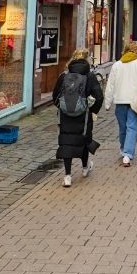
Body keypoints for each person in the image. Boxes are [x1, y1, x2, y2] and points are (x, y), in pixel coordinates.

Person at [52, 48, 104, 186]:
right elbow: (99, 96)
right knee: (84, 140)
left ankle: (68, 176)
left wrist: (63, 107)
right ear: (86, 59)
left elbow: (55, 96)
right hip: (84, 115)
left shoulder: (64, 76)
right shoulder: (90, 76)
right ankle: (85, 168)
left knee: (66, 143)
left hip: (65, 117)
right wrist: (93, 110)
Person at [105, 38, 137, 167]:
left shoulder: (117, 65)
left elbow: (110, 85)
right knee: (132, 127)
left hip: (120, 100)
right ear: (136, 50)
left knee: (123, 127)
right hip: (134, 101)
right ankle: (127, 154)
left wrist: (108, 102)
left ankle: (124, 149)